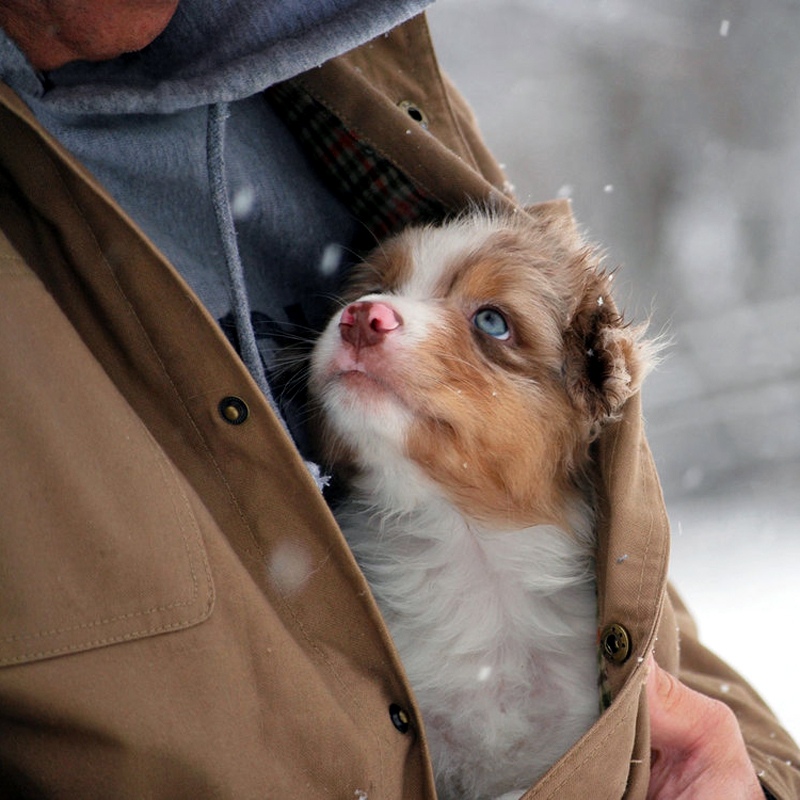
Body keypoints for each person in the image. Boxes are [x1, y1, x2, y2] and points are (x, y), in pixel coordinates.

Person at [0, 2, 797, 798]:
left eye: (490, 322)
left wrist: (756, 783)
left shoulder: (353, 65)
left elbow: (667, 651)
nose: (372, 315)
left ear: (595, 392)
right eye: (376, 289)